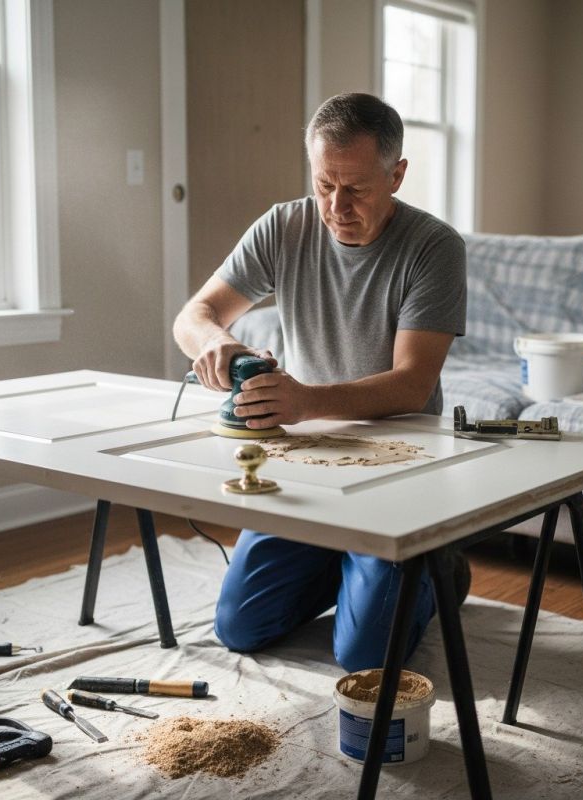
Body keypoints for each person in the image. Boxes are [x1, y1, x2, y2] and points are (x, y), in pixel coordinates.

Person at [172, 92, 468, 672]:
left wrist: (304, 401)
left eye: (355, 188)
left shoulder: (434, 247)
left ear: (397, 174)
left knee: (362, 655)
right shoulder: (284, 226)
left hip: (398, 464)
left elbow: (411, 385)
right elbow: (192, 315)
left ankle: (442, 570)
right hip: (308, 461)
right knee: (240, 627)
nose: (336, 205)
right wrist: (214, 343)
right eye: (323, 183)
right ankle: (351, 571)